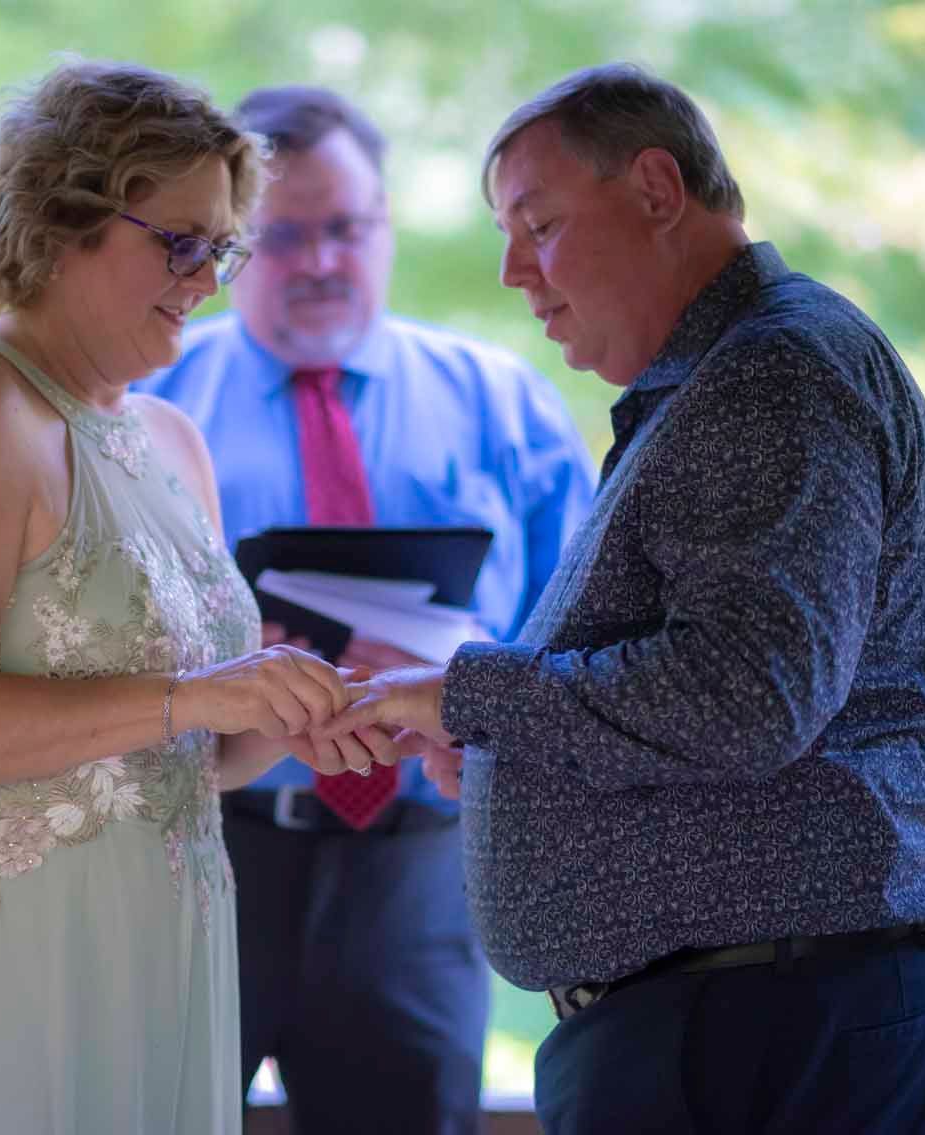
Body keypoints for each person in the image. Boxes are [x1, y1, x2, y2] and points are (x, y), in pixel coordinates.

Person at [326, 63, 925, 1134]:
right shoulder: (731, 371)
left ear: (652, 188)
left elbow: (741, 696)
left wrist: (468, 696)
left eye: (535, 225)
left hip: (756, 1022)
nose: (510, 273)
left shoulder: (770, 374)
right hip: (745, 1014)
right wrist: (505, 738)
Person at [0, 60, 381, 1135]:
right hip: (5, 948)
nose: (207, 279)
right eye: (178, 243)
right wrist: (195, 694)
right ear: (59, 218)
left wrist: (292, 715)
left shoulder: (171, 440)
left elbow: (182, 756)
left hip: (157, 941)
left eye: (219, 247)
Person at [142, 86, 596, 1134]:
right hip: (202, 847)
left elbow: (585, 645)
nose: (318, 260)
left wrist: (463, 672)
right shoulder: (153, 415)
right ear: (229, 247)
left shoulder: (503, 404)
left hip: (421, 862)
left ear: (384, 227)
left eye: (345, 228)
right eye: (282, 235)